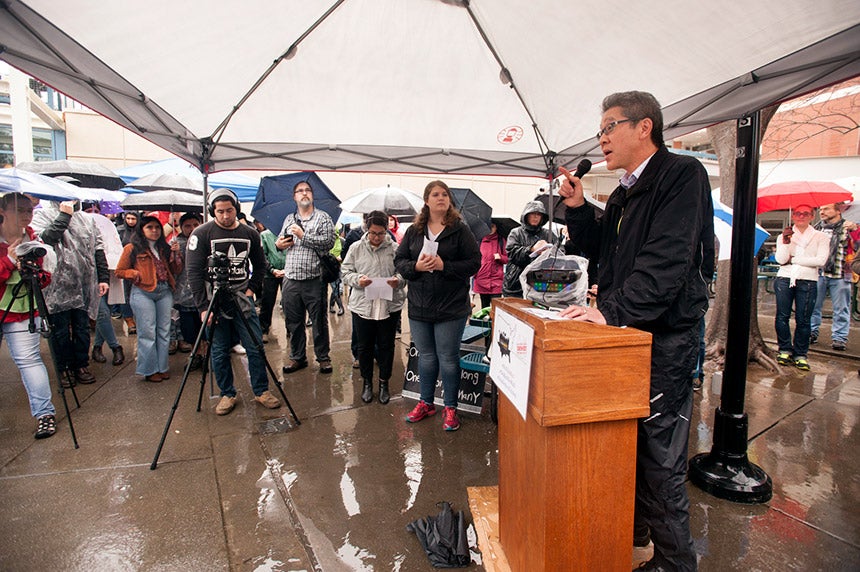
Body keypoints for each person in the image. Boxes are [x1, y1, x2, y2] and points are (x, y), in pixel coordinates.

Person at [558, 91, 713, 571]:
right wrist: (581, 208)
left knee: (659, 452)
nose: (601, 137)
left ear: (644, 127)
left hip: (665, 337)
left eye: (609, 126)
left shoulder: (682, 175)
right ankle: (635, 531)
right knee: (630, 441)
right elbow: (602, 251)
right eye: (599, 129)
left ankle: (674, 561)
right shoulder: (625, 190)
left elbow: (665, 263)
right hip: (630, 334)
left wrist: (612, 310)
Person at [395, 180, 481, 431]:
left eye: (445, 194)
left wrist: (446, 266)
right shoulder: (414, 231)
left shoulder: (460, 230)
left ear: (449, 201)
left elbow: (475, 263)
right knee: (427, 358)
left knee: (449, 359)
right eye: (435, 194)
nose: (441, 198)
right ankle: (426, 403)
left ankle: (451, 408)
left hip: (451, 307)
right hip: (420, 306)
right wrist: (416, 267)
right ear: (426, 200)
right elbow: (400, 260)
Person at [186, 189, 281, 415]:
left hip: (242, 299)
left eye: (229, 210)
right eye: (220, 211)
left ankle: (261, 390)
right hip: (214, 300)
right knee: (219, 350)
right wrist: (202, 307)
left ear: (236, 209)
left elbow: (260, 266)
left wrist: (250, 290)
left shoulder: (250, 233)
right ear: (212, 211)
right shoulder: (201, 233)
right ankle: (227, 394)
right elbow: (193, 272)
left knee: (255, 346)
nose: (226, 215)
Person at [31, 199, 109, 385]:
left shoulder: (88, 220)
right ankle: (64, 368)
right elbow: (45, 240)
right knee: (60, 331)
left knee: (82, 328)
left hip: (83, 283)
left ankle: (81, 364)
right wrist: (64, 216)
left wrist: (103, 277)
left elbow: (98, 248)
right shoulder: (43, 216)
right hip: (57, 286)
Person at [0, 192, 57, 439]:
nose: (26, 215)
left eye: (29, 210)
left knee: (30, 360)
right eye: (20, 209)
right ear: (3, 211)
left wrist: (35, 273)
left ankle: (45, 414)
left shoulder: (34, 240)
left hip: (23, 311)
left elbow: (46, 278)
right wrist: (9, 262)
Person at [342, 210, 406, 404]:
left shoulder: (395, 248)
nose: (377, 237)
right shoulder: (356, 248)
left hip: (389, 305)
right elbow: (345, 272)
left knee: (387, 346)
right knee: (365, 347)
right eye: (373, 233)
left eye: (380, 233)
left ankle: (384, 382)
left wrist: (398, 281)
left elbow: (404, 272)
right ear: (366, 230)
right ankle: (367, 383)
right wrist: (357, 280)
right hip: (363, 306)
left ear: (386, 230)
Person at [275, 180, 336, 374]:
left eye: (307, 190)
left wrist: (303, 235)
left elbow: (328, 243)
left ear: (312, 195)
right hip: (291, 278)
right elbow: (280, 241)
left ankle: (323, 358)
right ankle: (297, 357)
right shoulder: (288, 218)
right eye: (299, 191)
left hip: (314, 279)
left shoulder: (323, 218)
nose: (304, 194)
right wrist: (279, 244)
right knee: (293, 322)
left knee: (319, 321)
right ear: (294, 197)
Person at [115, 215, 182, 382]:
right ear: (142, 230)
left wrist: (175, 254)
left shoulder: (164, 248)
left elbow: (176, 270)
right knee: (147, 332)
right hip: (143, 292)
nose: (154, 231)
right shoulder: (132, 248)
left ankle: (162, 367)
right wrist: (133, 273)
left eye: (157, 228)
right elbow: (120, 271)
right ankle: (149, 369)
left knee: (164, 331)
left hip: (164, 291)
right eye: (149, 228)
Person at [773, 205, 829, 371]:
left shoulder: (820, 237)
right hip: (785, 277)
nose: (801, 217)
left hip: (808, 279)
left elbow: (820, 260)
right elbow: (781, 260)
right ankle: (784, 348)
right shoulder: (785, 235)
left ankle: (801, 353)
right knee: (782, 316)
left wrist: (796, 259)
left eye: (805, 214)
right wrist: (785, 243)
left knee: (804, 318)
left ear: (812, 216)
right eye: (798, 213)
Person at [810, 203, 859, 351]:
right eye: (820, 209)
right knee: (813, 305)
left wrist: (855, 230)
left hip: (841, 273)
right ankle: (812, 332)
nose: (821, 212)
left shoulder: (849, 228)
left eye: (826, 209)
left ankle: (839, 338)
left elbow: (857, 247)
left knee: (841, 308)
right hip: (819, 273)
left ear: (838, 211)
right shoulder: (817, 229)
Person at [83, 200, 125, 367]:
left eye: (94, 210)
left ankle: (98, 347)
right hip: (86, 276)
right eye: (88, 210)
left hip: (104, 273)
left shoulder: (105, 224)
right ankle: (116, 346)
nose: (91, 213)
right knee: (102, 313)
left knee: (103, 312)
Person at [171, 212, 207, 369]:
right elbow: (174, 270)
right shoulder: (175, 243)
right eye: (187, 225)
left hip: (204, 293)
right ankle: (196, 354)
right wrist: (175, 254)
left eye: (195, 225)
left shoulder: (206, 240)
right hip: (183, 295)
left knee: (204, 327)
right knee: (189, 329)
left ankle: (206, 354)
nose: (192, 228)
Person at [502, 200, 555, 298]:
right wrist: (531, 249)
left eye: (538, 214)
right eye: (533, 214)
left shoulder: (549, 234)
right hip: (516, 285)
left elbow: (560, 254)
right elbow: (512, 254)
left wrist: (549, 252)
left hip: (540, 284)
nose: (535, 217)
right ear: (526, 215)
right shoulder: (516, 233)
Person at [254, 219, 285, 343]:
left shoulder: (290, 235)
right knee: (267, 303)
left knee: (290, 304)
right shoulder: (264, 235)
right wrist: (272, 270)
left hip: (287, 274)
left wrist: (286, 270)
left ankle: (291, 330)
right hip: (270, 275)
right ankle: (264, 330)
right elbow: (263, 256)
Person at [473, 222, 508, 309]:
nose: (490, 229)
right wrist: (475, 274)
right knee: (484, 309)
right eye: (488, 226)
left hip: (496, 281)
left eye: (492, 226)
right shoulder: (478, 241)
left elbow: (508, 259)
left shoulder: (501, 241)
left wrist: (500, 257)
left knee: (496, 309)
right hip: (482, 279)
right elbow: (473, 259)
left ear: (496, 227)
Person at [115, 210, 140, 333]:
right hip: (125, 266)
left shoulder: (141, 231)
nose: (130, 221)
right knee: (125, 294)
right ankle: (129, 319)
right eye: (128, 218)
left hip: (139, 265)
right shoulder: (120, 230)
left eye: (133, 219)